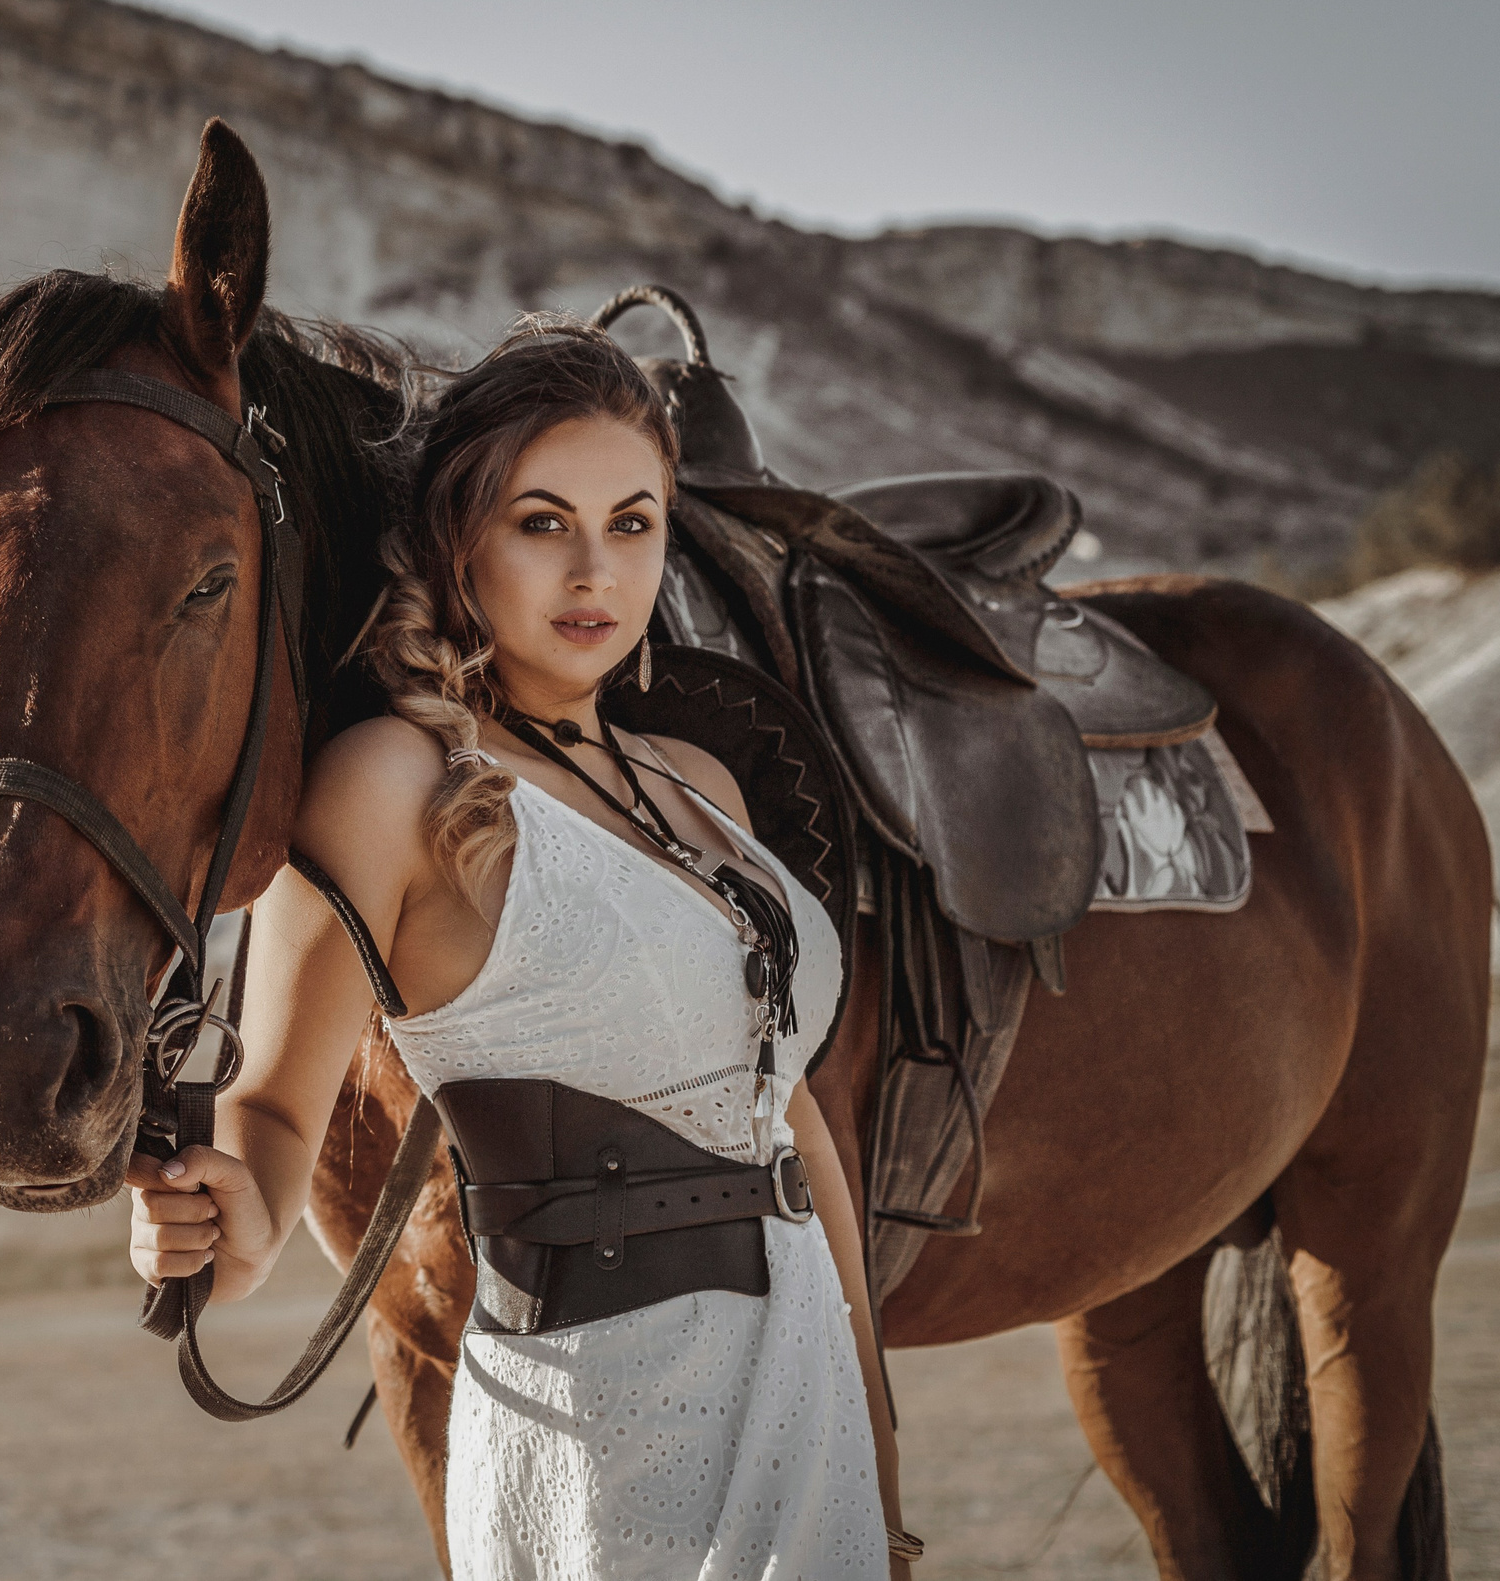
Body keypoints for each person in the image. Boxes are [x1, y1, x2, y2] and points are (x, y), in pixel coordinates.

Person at [128, 317, 913, 1579]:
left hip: (801, 1384)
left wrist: (873, 1434)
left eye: (632, 522)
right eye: (543, 522)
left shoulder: (700, 780)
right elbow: (270, 1106)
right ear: (458, 538)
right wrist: (221, 1229)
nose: (595, 570)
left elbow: (790, 1117)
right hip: (604, 1421)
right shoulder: (390, 782)